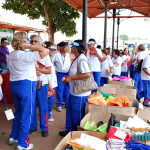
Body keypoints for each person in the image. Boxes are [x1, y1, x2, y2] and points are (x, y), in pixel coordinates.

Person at [7, 32, 49, 150]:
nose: (30, 42)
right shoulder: (25, 55)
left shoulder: (11, 54)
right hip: (26, 85)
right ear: (22, 43)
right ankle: (22, 143)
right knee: (26, 114)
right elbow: (45, 51)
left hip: (14, 85)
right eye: (27, 40)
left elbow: (9, 70)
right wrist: (30, 47)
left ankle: (13, 137)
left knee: (18, 112)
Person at [59, 40, 91, 137]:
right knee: (70, 114)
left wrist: (71, 78)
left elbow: (87, 74)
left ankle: (77, 136)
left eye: (72, 46)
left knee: (77, 116)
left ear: (76, 48)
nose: (70, 48)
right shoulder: (77, 58)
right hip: (74, 92)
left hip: (80, 94)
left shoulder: (82, 59)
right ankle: (69, 131)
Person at [29, 35, 52, 137]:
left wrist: (39, 70)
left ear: (41, 44)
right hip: (31, 83)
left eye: (36, 41)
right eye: (32, 41)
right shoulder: (27, 54)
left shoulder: (45, 55)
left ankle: (44, 127)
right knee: (31, 106)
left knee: (43, 106)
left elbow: (49, 70)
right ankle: (33, 126)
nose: (33, 43)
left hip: (42, 83)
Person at [52, 42, 70, 112]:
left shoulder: (68, 55)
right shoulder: (56, 55)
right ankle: (59, 105)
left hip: (67, 74)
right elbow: (51, 62)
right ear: (60, 48)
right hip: (60, 74)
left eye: (67, 47)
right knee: (60, 90)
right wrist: (55, 69)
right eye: (64, 47)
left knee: (67, 89)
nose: (66, 49)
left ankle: (66, 102)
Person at [47, 43, 58, 122]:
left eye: (54, 50)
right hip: (48, 84)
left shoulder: (50, 58)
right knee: (49, 101)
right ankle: (47, 116)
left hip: (52, 83)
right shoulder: (45, 58)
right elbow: (45, 73)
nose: (52, 51)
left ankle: (47, 115)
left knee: (49, 101)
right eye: (51, 50)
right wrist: (49, 84)